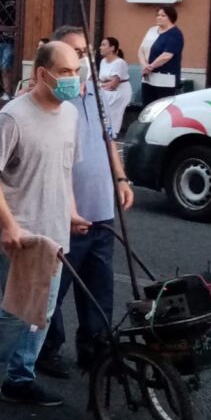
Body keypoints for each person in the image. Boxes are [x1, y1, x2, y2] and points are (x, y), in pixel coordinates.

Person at [0, 40, 90, 414]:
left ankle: (20, 377)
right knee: (19, 310)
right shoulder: (13, 117)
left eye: (75, 70)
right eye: (64, 72)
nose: (72, 78)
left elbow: (63, 171)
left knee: (42, 312)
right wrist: (8, 225)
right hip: (20, 233)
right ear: (42, 74)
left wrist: (72, 213)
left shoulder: (70, 115)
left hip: (54, 229)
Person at [36, 27, 134, 380]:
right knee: (53, 288)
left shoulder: (96, 94)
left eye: (85, 52)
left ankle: (95, 348)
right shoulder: (54, 99)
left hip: (102, 208)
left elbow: (109, 139)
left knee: (99, 286)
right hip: (66, 212)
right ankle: (45, 349)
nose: (82, 60)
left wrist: (120, 178)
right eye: (75, 53)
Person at [141, 5, 184, 106]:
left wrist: (151, 66)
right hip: (148, 77)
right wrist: (144, 64)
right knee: (147, 106)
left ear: (171, 17)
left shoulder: (175, 34)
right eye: (157, 15)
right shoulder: (152, 30)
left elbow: (167, 55)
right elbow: (141, 49)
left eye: (163, 15)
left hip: (164, 79)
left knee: (161, 107)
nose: (159, 17)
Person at [97, 36, 132, 139]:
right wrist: (101, 85)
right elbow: (102, 80)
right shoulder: (103, 61)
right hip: (106, 89)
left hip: (119, 92)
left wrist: (100, 85)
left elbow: (113, 84)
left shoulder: (119, 63)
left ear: (112, 48)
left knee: (104, 101)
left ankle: (110, 131)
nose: (100, 47)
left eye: (104, 45)